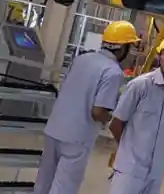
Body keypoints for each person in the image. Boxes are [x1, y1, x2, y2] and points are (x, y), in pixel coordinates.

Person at [33, 21, 135, 194]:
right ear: (123, 48)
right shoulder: (112, 71)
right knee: (64, 187)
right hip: (77, 137)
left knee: (43, 182)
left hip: (55, 128)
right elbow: (98, 112)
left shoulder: (81, 59)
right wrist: (113, 119)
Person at [107, 33, 164, 194]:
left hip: (156, 173)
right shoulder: (140, 86)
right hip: (130, 170)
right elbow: (116, 123)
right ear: (160, 55)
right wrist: (127, 150)